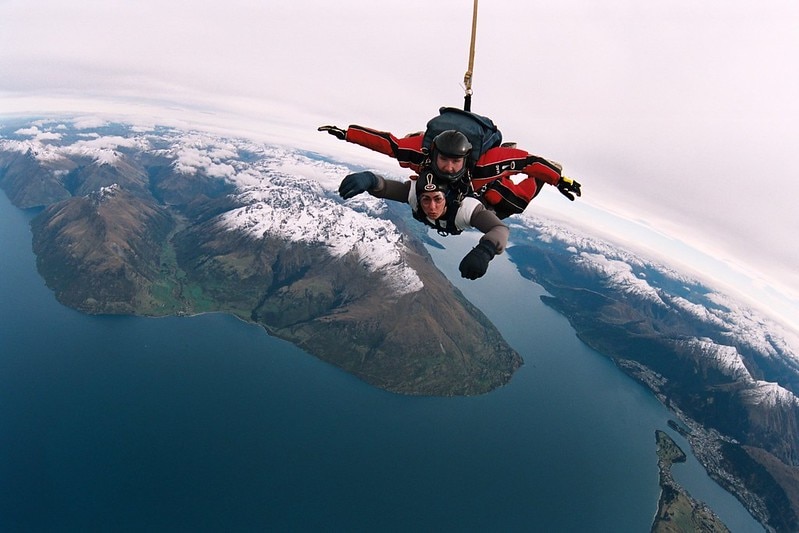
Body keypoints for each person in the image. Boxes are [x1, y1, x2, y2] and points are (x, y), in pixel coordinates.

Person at [320, 119, 581, 218]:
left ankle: (537, 182)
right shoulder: (421, 152)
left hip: (483, 183)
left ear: (465, 159)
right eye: (443, 159)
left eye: (455, 161)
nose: (447, 166)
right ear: (434, 152)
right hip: (460, 177)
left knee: (512, 204)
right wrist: (347, 134)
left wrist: (558, 179)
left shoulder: (484, 164)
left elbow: (529, 162)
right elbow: (389, 144)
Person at [338, 138, 509, 280]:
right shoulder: (413, 193)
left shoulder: (466, 208)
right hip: (448, 219)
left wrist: (485, 251)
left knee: (510, 205)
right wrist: (370, 179)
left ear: (447, 199)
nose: (431, 207)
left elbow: (499, 228)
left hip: (481, 201)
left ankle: (505, 167)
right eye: (425, 200)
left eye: (437, 199)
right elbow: (385, 187)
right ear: (419, 197)